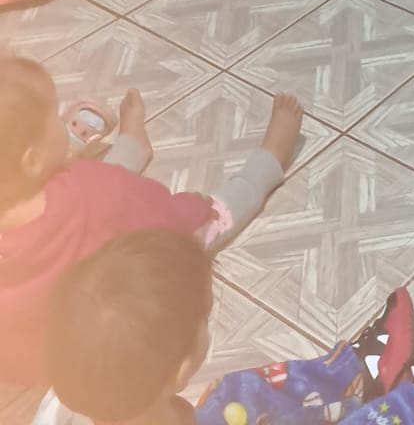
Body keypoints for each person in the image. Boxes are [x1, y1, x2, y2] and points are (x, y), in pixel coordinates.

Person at [0, 56, 303, 388]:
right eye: (55, 119)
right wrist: (194, 208)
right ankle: (267, 164)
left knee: (88, 184)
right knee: (212, 217)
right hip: (110, 274)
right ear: (32, 160)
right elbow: (159, 221)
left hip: (50, 362)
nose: (64, 122)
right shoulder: (90, 190)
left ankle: (132, 146)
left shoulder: (82, 188)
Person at [35, 229, 414, 425]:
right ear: (178, 370)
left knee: (237, 392)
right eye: (204, 316)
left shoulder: (80, 395)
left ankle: (356, 373)